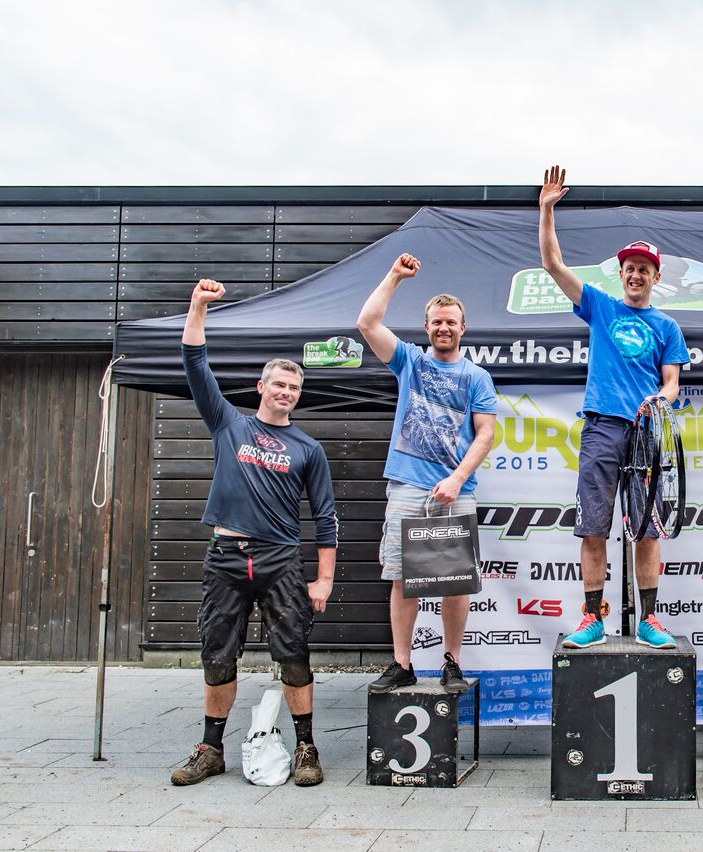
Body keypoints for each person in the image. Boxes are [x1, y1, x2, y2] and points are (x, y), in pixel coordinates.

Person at [173, 279, 338, 787]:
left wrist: (324, 579)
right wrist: (198, 307)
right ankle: (210, 749)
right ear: (261, 387)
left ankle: (307, 747)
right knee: (217, 654)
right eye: (279, 385)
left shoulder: (308, 449)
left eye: (294, 388)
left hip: (280, 560)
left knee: (293, 655)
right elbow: (195, 364)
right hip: (226, 556)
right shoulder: (229, 424)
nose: (286, 393)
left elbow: (326, 517)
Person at [539, 165, 690, 650]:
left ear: (655, 276)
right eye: (630, 267)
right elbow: (553, 265)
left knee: (647, 530)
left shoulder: (666, 326)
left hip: (646, 435)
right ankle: (592, 619)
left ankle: (649, 620)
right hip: (603, 427)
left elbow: (672, 384)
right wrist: (546, 211)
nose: (636, 274)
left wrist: (659, 400)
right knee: (593, 527)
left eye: (644, 268)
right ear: (620, 273)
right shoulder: (601, 307)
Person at [358, 252, 497, 694]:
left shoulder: (476, 377)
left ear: (463, 328)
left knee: (455, 581)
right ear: (427, 326)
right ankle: (402, 663)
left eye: (451, 322)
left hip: (456, 490)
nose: (444, 328)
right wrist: (395, 276)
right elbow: (367, 323)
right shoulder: (410, 362)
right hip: (407, 486)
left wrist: (456, 478)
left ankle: (452, 662)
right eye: (437, 322)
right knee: (403, 579)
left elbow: (485, 434)